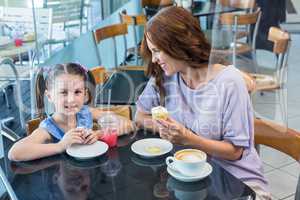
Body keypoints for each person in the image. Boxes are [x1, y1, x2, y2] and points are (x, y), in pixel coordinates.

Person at [135, 6, 270, 199]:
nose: (155, 59)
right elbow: (140, 116)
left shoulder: (229, 82)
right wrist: (166, 127)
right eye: (151, 52)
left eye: (157, 51)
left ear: (178, 44)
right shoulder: (166, 77)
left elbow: (235, 152)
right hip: (193, 176)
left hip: (238, 183)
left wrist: (187, 138)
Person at [8, 63, 134, 161]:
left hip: (87, 170)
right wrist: (61, 146)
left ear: (85, 94)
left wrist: (99, 134)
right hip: (64, 177)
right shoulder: (49, 128)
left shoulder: (86, 113)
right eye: (63, 92)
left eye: (77, 92)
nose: (71, 99)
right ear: (50, 96)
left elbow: (129, 125)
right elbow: (15, 153)